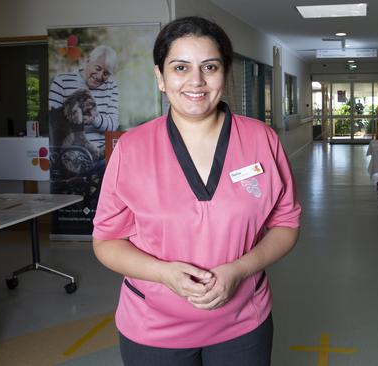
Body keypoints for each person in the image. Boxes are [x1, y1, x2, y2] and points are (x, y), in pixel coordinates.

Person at [92, 16, 301, 366]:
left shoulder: (261, 140)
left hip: (243, 324)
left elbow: (286, 224)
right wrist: (164, 274)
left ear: (225, 73)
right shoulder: (131, 149)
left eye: (210, 66)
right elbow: (107, 241)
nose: (196, 81)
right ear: (160, 77)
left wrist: (238, 270)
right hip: (153, 329)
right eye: (180, 67)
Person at [49, 44, 119, 151]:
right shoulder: (62, 81)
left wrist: (95, 120)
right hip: (71, 150)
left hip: (102, 152)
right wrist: (75, 120)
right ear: (88, 60)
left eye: (106, 73)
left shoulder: (111, 86)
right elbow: (52, 122)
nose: (100, 76)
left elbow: (113, 125)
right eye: (98, 68)